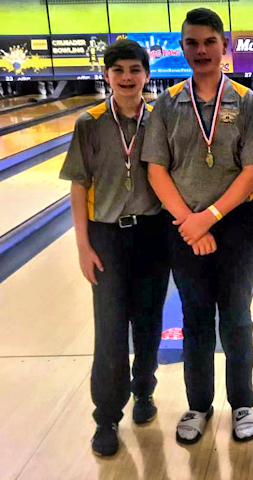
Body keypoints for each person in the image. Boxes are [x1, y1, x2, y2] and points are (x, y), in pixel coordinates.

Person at [141, 8, 253, 445]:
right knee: (196, 318)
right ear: (181, 49)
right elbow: (156, 170)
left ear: (224, 46)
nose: (201, 51)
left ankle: (243, 403)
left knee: (236, 317)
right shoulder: (167, 103)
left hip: (234, 225)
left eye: (209, 42)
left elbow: (252, 169)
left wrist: (208, 218)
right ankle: (198, 405)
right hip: (181, 225)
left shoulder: (247, 101)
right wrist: (188, 221)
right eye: (191, 43)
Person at [60, 39, 170, 456]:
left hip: (153, 233)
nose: (127, 78)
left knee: (148, 321)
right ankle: (106, 416)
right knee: (109, 329)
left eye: (134, 70)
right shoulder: (88, 122)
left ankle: (144, 391)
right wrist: (82, 246)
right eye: (118, 70)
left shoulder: (160, 118)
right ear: (107, 75)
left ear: (146, 74)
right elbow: (78, 185)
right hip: (106, 235)